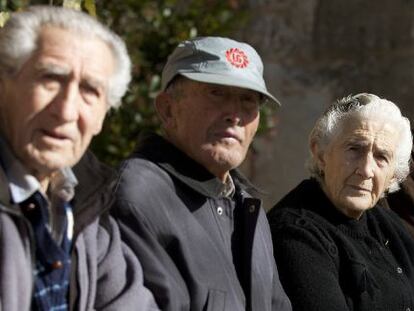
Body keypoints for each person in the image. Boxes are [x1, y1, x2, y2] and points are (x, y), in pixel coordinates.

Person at [111, 36, 292, 311]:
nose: (235, 115)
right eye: (216, 93)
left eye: (248, 100)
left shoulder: (248, 207)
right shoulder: (136, 197)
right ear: (168, 109)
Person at [0, 6, 158, 311]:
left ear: (102, 118)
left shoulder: (82, 201)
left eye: (90, 91)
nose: (67, 110)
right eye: (51, 79)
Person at [267, 93, 414, 311]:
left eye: (381, 157)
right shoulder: (295, 233)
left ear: (393, 175)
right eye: (354, 149)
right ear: (321, 154)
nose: (365, 170)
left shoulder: (384, 222)